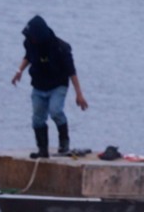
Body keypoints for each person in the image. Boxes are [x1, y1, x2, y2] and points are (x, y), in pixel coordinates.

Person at [11, 15, 87, 158]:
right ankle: (42, 150)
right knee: (37, 118)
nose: (30, 39)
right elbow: (28, 56)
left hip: (58, 85)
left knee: (55, 111)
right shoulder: (29, 43)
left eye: (32, 37)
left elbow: (72, 72)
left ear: (40, 35)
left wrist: (79, 94)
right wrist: (19, 71)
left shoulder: (61, 48)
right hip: (39, 86)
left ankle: (64, 146)